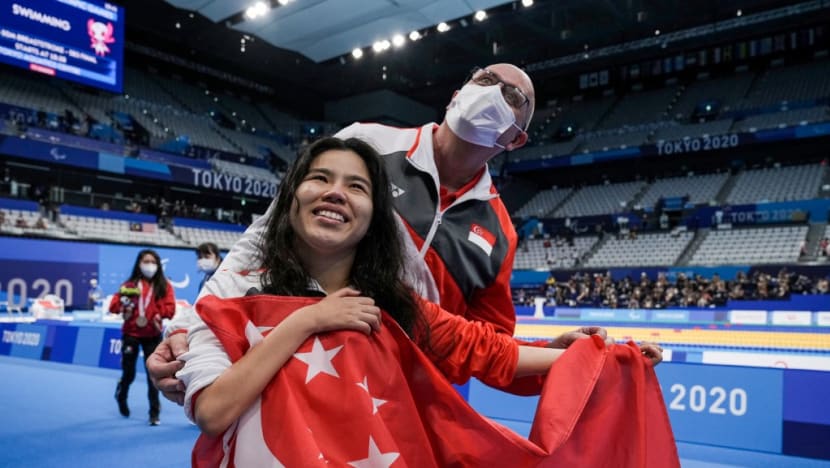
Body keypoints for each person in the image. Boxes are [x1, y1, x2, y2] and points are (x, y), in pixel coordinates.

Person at [176, 137, 669, 466]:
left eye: (357, 186)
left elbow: (482, 348)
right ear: (291, 197)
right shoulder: (233, 295)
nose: (336, 194)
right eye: (320, 178)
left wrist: (588, 356)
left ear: (374, 217)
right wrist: (309, 321)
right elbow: (213, 411)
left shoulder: (396, 306)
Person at [148, 63, 613, 403]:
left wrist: (550, 355)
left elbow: (482, 345)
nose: (494, 91)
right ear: (457, 94)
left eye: (515, 96)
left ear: (515, 139)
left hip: (406, 405)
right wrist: (188, 328)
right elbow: (261, 238)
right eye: (486, 79)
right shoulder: (366, 143)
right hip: (307, 368)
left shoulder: (499, 232)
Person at [108, 249, 176, 425]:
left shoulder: (164, 285)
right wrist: (124, 309)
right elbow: (113, 306)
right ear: (139, 264)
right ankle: (121, 394)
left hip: (153, 334)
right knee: (128, 373)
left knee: (153, 375)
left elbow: (171, 309)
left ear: (158, 265)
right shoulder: (129, 285)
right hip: (131, 333)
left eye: (153, 262)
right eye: (146, 261)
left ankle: (154, 413)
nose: (149, 265)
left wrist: (159, 314)